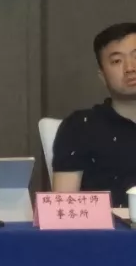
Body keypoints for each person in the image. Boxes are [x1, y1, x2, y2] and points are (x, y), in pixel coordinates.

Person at [51, 22, 136, 206]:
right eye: (117, 61)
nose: (130, 68)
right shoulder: (80, 127)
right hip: (106, 225)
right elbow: (64, 207)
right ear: (102, 76)